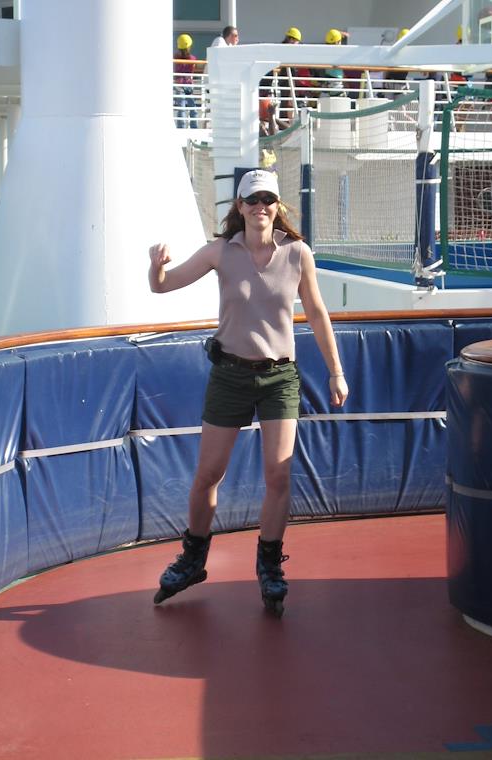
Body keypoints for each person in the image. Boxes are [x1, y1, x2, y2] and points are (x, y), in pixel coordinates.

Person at [148, 169, 349, 616]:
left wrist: (336, 371)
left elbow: (317, 313)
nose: (261, 206)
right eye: (252, 200)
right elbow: (162, 285)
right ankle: (193, 558)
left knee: (278, 476)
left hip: (280, 378)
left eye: (268, 199)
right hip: (230, 376)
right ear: (239, 206)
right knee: (208, 475)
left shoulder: (297, 252)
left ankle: (269, 564)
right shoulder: (221, 251)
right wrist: (156, 265)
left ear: (277, 206)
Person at [173, 33, 199, 129]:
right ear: (189, 46)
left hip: (179, 85)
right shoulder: (192, 59)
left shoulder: (175, 57)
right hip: (187, 85)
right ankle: (194, 127)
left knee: (182, 108)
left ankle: (181, 128)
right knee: (193, 108)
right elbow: (193, 69)